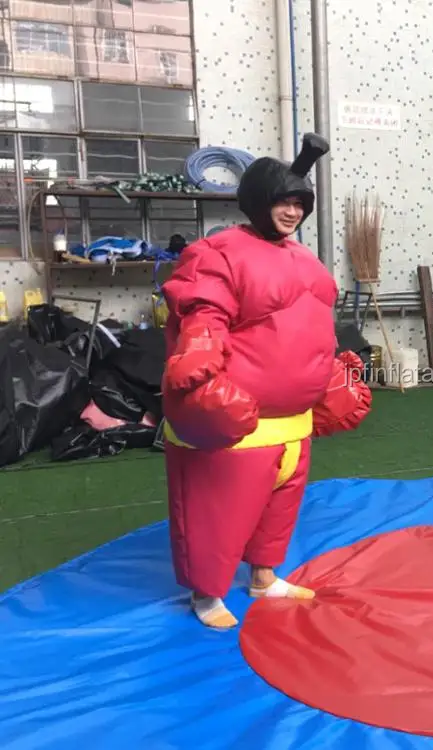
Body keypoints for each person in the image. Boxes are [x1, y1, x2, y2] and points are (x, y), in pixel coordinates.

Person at [160, 133, 372, 630]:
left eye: (300, 203)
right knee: (218, 511)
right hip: (239, 420)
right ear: (258, 200)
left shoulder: (307, 262)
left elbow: (314, 325)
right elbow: (202, 318)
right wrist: (200, 381)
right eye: (284, 201)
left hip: (292, 424)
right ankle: (206, 593)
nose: (293, 212)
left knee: (278, 507)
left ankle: (263, 576)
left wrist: (331, 373)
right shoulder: (217, 253)